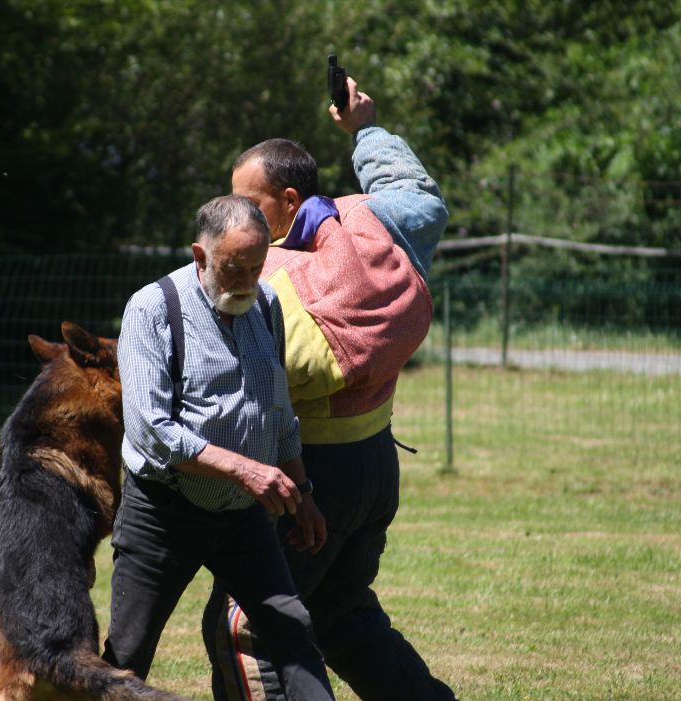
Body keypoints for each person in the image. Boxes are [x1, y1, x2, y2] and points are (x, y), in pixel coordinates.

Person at [202, 77, 457, 700]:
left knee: (248, 625)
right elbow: (415, 191)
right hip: (375, 467)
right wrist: (364, 127)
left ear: (289, 201)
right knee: (342, 613)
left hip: (309, 478)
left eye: (250, 207)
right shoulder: (380, 225)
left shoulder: (270, 281)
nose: (237, 219)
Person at [102, 194, 337, 701]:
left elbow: (279, 414)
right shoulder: (152, 309)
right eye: (235, 268)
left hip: (242, 517)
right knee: (128, 654)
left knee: (292, 628)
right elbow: (152, 431)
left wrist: (303, 492)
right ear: (200, 255)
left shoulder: (267, 305)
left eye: (257, 267)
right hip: (163, 514)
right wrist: (246, 471)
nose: (249, 281)